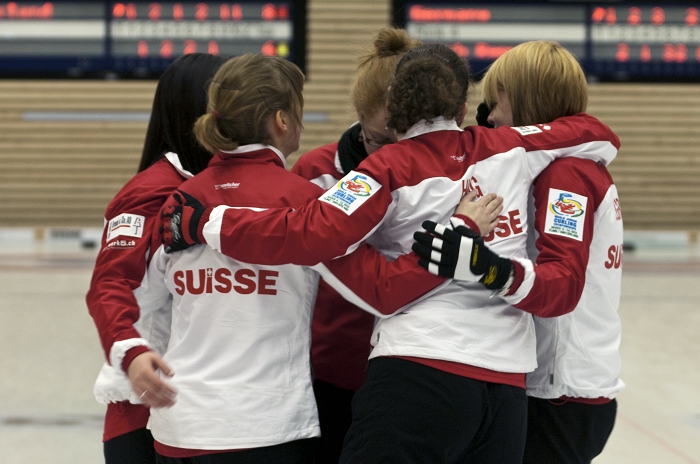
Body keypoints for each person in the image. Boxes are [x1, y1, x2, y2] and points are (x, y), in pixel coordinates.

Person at [159, 44, 620, 463]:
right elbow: (593, 131)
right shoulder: (512, 146)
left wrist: (206, 222)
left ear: (393, 117)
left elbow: (308, 232)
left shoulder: (381, 169)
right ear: (461, 108)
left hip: (418, 371)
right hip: (506, 388)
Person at [126, 52, 502, 463]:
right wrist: (460, 234)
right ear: (285, 121)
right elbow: (383, 286)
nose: (391, 154)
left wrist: (130, 353)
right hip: (275, 422)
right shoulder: (309, 190)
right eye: (379, 140)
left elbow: (138, 302)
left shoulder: (181, 200)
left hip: (184, 423)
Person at [414, 40, 624, 464]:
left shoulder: (568, 174)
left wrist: (487, 269)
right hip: (572, 388)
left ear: (527, 98)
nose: (489, 116)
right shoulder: (571, 162)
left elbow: (563, 283)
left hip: (560, 393)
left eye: (497, 102)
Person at [86, 52, 227, 463]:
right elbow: (108, 285)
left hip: (207, 404)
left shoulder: (220, 183)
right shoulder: (150, 191)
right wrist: (131, 355)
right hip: (145, 406)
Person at [290, 27, 419, 463]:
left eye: (404, 141)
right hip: (328, 374)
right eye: (379, 140)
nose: (390, 156)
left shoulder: (452, 165)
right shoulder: (317, 171)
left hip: (412, 373)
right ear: (359, 120)